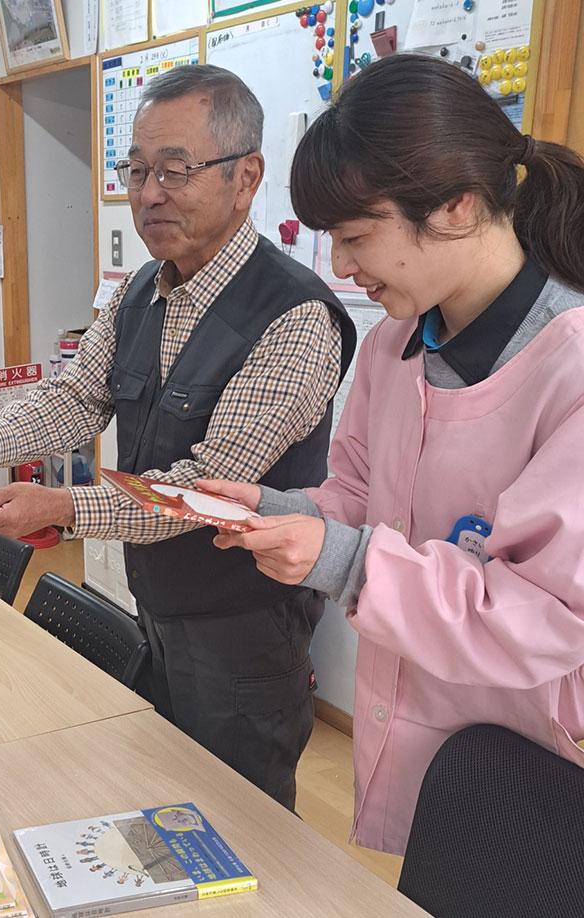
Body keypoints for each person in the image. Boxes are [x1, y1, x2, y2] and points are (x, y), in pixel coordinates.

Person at [0, 65, 355, 809]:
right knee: (164, 796)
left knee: (240, 824)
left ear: (246, 177)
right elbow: (79, 395)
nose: (150, 193)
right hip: (156, 605)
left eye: (176, 171)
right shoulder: (140, 291)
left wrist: (61, 508)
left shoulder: (295, 318)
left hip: (242, 630)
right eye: (138, 169)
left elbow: (203, 489)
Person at [202, 53, 584, 855]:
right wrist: (276, 510)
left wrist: (345, 561)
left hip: (539, 762)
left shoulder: (571, 367)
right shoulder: (394, 348)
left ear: (456, 206)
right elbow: (361, 498)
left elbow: (543, 614)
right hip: (419, 727)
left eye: (355, 237)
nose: (341, 268)